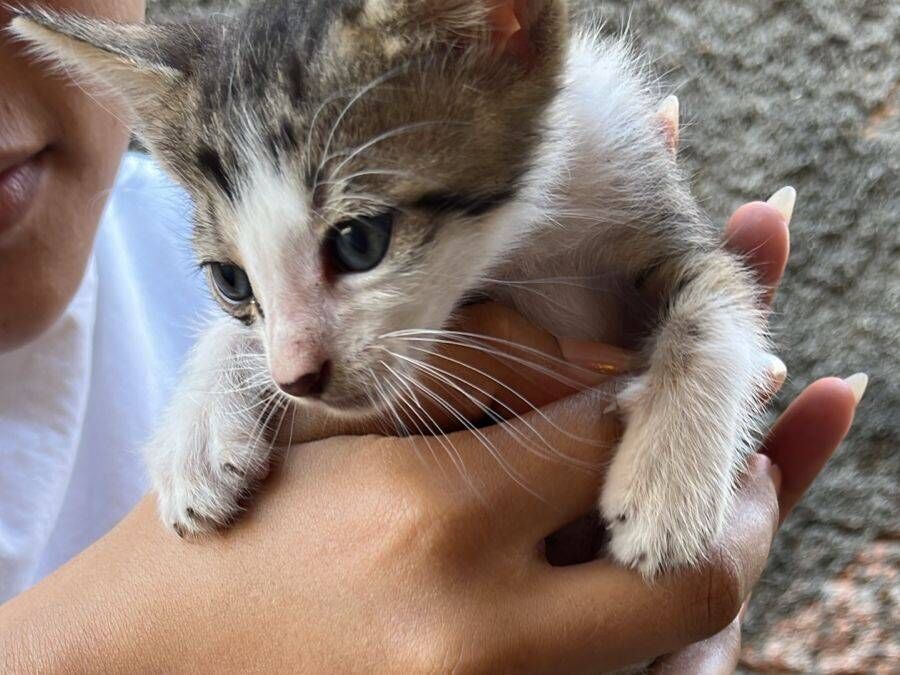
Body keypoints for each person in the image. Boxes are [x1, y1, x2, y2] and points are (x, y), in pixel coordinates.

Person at [0, 0, 866, 671]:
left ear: (504, 31)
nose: (290, 366)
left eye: (357, 239)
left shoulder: (592, 135)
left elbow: (704, 281)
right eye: (235, 283)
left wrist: (699, 382)